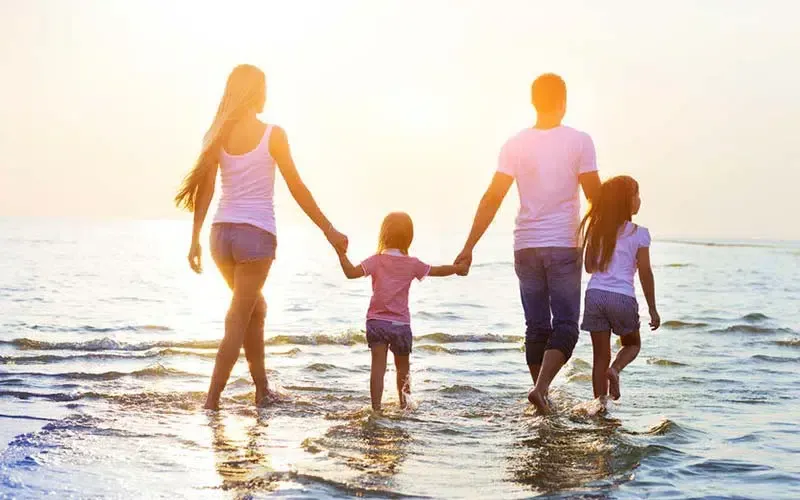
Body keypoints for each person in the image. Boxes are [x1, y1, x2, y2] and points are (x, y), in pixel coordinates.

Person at [174, 64, 348, 410]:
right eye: (264, 88)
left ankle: (262, 390)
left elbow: (206, 190)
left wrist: (194, 240)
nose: (267, 95)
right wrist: (329, 230)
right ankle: (211, 402)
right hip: (256, 238)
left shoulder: (216, 134)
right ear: (256, 93)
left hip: (220, 238)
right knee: (238, 317)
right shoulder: (273, 134)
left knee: (255, 308)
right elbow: (297, 187)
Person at [454, 73, 601, 414]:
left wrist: (468, 246)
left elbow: (492, 198)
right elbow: (596, 197)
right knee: (565, 326)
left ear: (533, 102)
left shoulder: (515, 144)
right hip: (564, 243)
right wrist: (602, 243)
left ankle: (541, 399)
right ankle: (542, 389)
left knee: (536, 326)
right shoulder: (579, 141)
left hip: (526, 246)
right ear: (563, 103)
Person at [335, 212, 467, 411]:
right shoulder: (412, 263)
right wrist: (458, 268)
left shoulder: (376, 260)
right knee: (402, 370)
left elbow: (351, 273)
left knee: (377, 369)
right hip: (401, 325)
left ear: (384, 234)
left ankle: (376, 409)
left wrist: (341, 253)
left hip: (377, 322)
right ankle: (405, 406)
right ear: (409, 237)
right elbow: (437, 270)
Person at [578, 175, 660, 402]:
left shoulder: (597, 229)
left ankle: (600, 406)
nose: (639, 200)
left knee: (599, 356)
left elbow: (588, 267)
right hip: (622, 297)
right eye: (636, 195)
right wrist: (652, 309)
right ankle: (615, 370)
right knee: (632, 343)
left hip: (595, 295)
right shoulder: (639, 233)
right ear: (627, 201)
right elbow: (645, 272)